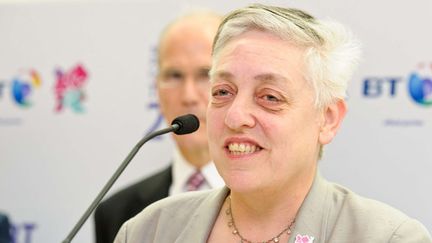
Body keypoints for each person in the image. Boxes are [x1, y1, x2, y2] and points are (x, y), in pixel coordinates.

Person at [114, 4, 432, 243]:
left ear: (328, 118)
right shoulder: (147, 231)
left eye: (269, 97)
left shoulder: (389, 237)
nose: (236, 116)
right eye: (223, 92)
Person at [94, 12, 225, 243]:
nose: (188, 96)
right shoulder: (116, 212)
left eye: (205, 75)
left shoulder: (272, 202)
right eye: (174, 76)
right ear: (156, 90)